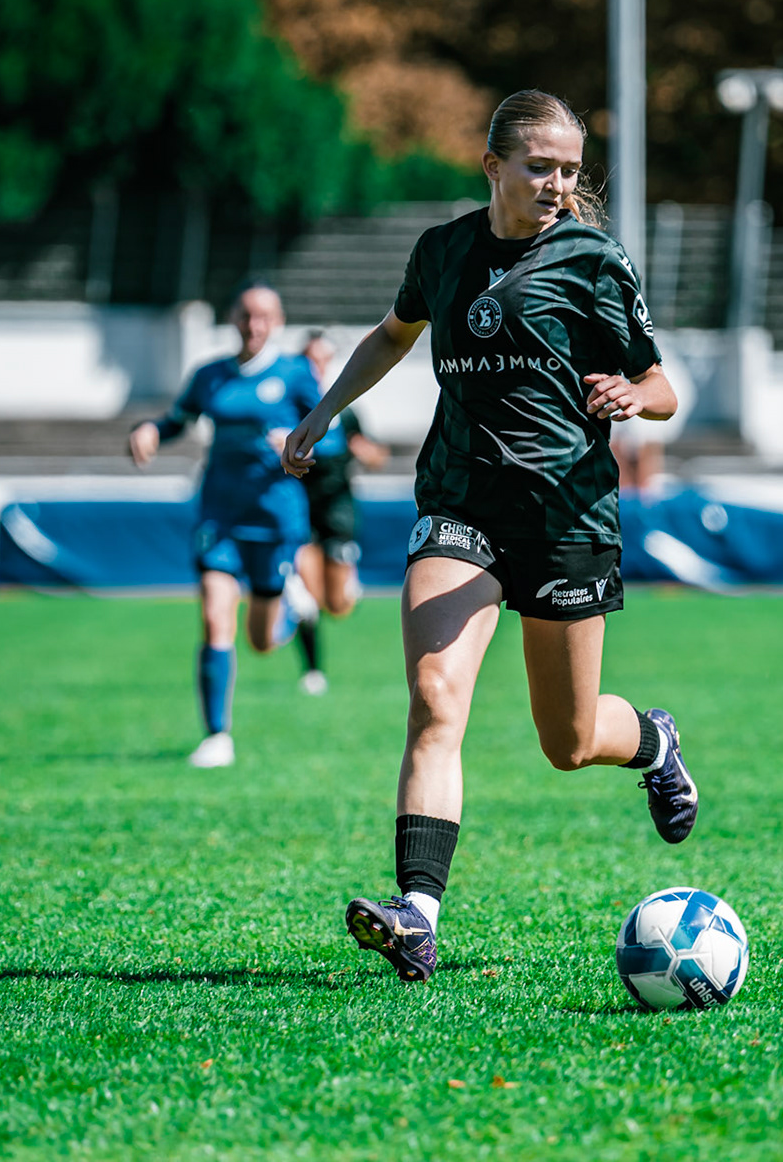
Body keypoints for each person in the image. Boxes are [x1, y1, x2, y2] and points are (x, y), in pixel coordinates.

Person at [281, 89, 698, 984]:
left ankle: (654, 741)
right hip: (459, 504)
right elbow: (393, 336)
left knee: (569, 740)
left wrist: (634, 397)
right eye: (540, 166)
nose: (556, 185)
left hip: (566, 517)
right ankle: (418, 916)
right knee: (436, 697)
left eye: (570, 171)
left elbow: (663, 382)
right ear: (493, 166)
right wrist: (322, 412)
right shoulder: (442, 252)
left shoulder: (592, 258)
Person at [130, 281, 322, 768]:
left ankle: (290, 611)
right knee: (216, 618)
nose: (253, 325)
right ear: (233, 318)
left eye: (263, 317)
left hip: (274, 518)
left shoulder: (296, 374)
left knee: (260, 641)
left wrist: (300, 440)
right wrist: (152, 429)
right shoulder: (211, 375)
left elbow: (332, 433)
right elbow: (179, 418)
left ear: (277, 322)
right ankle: (217, 737)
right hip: (220, 514)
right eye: (245, 315)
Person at [288, 330, 390, 695]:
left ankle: (348, 586)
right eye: (309, 359)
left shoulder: (345, 412)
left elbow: (377, 455)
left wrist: (367, 452)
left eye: (321, 358)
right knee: (303, 595)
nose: (315, 366)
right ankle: (313, 671)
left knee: (338, 604)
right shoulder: (287, 408)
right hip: (298, 513)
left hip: (338, 512)